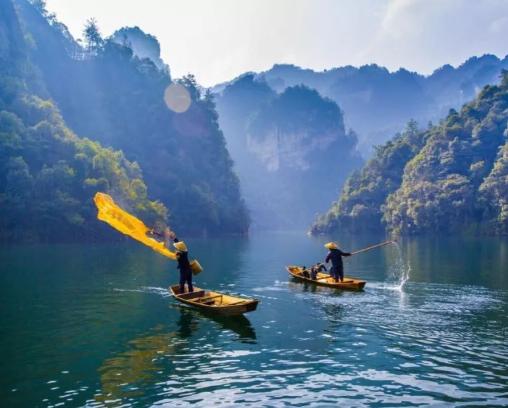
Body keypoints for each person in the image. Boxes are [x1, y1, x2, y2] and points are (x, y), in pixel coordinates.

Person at [164, 228, 194, 293]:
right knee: (189, 283)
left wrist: (172, 237)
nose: (176, 248)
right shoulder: (185, 251)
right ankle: (191, 293)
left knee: (182, 283)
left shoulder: (179, 254)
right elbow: (178, 243)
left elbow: (177, 254)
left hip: (184, 270)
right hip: (189, 270)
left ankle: (182, 294)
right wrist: (173, 237)